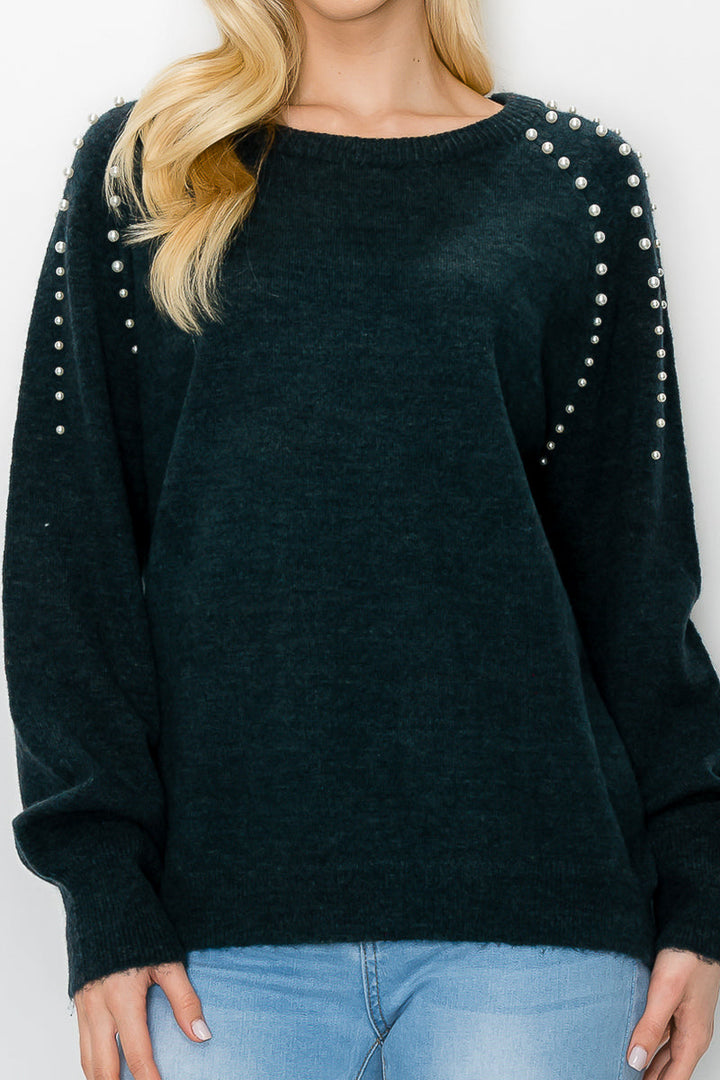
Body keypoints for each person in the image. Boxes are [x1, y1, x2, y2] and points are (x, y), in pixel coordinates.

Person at [4, 0, 720, 1076]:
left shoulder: (577, 181)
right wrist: (103, 892)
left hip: (540, 921)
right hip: (213, 941)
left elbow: (638, 579)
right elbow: (68, 560)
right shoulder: (149, 166)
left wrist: (700, 893)